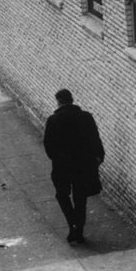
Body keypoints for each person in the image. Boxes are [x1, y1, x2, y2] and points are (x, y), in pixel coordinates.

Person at [43, 88, 104, 244]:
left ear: (58, 101)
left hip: (62, 166)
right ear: (72, 99)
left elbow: (49, 146)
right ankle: (79, 231)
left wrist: (57, 158)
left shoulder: (53, 120)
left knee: (62, 195)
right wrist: (97, 159)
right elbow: (95, 140)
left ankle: (73, 224)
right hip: (83, 166)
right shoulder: (86, 117)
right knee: (80, 198)